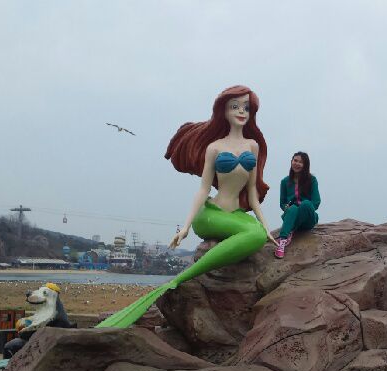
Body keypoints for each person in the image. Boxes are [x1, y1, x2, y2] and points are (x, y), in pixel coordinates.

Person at [97, 85, 277, 328]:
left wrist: (266, 226)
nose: (241, 111)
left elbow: (252, 192)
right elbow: (203, 189)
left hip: (235, 214)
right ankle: (183, 278)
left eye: (245, 107)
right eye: (235, 106)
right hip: (211, 215)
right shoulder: (215, 147)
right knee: (254, 235)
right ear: (223, 111)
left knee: (256, 233)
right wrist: (185, 227)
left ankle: (184, 276)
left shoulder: (252, 146)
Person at [275, 152, 320, 258]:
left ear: (305, 165)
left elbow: (316, 202)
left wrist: (303, 210)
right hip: (291, 214)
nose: (297, 163)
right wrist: (286, 208)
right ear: (291, 161)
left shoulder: (312, 180)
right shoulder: (285, 181)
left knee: (306, 204)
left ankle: (290, 229)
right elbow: (282, 203)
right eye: (295, 160)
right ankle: (282, 242)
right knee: (293, 208)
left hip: (307, 218)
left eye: (301, 162)